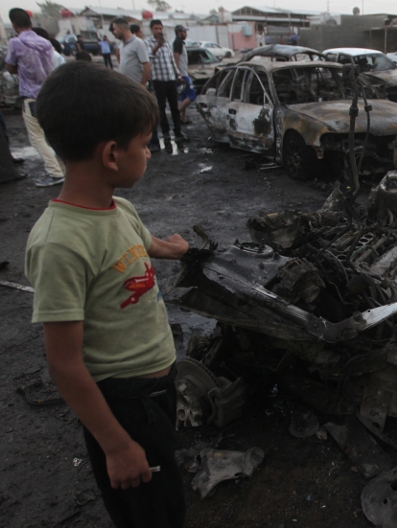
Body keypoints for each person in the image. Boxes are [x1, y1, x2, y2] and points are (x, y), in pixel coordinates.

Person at [26, 60, 189, 528]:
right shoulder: (60, 243)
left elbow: (145, 242)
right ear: (112, 155)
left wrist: (175, 250)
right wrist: (116, 445)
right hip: (121, 400)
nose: (151, 153)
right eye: (145, 144)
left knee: (164, 485)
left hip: (155, 386)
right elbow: (64, 363)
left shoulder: (118, 206)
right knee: (151, 511)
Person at [5, 8, 65, 187]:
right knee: (52, 134)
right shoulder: (46, 43)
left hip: (30, 95)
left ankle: (54, 172)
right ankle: (63, 168)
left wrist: (20, 70)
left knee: (37, 137)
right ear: (31, 23)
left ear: (14, 25)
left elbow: (10, 67)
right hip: (49, 93)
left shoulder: (15, 43)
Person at [145, 19, 184, 148]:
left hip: (170, 79)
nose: (158, 31)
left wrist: (177, 74)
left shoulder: (167, 43)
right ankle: (166, 132)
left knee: (174, 107)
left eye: (160, 28)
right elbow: (149, 57)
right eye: (156, 28)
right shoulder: (147, 43)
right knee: (161, 108)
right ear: (152, 29)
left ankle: (178, 131)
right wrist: (158, 45)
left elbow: (171, 60)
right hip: (158, 80)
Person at [111, 18, 150, 88]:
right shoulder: (122, 44)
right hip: (127, 85)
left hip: (137, 86)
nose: (114, 32)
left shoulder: (138, 43)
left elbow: (146, 65)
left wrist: (143, 84)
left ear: (121, 28)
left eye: (115, 29)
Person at [172, 25, 195, 126]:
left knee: (183, 96)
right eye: (184, 32)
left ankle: (183, 118)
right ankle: (176, 114)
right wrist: (178, 73)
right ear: (179, 32)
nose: (186, 34)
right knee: (191, 95)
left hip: (182, 72)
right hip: (182, 74)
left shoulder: (180, 42)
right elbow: (175, 56)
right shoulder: (178, 42)